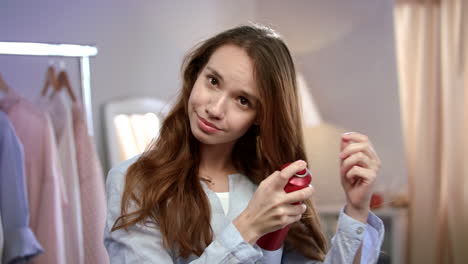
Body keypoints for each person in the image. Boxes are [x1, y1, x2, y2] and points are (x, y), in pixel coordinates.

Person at [104, 23, 384, 263]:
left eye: (242, 100)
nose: (215, 108)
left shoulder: (271, 186)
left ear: (261, 115)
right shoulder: (134, 183)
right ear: (195, 75)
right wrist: (248, 227)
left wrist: (357, 210)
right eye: (213, 81)